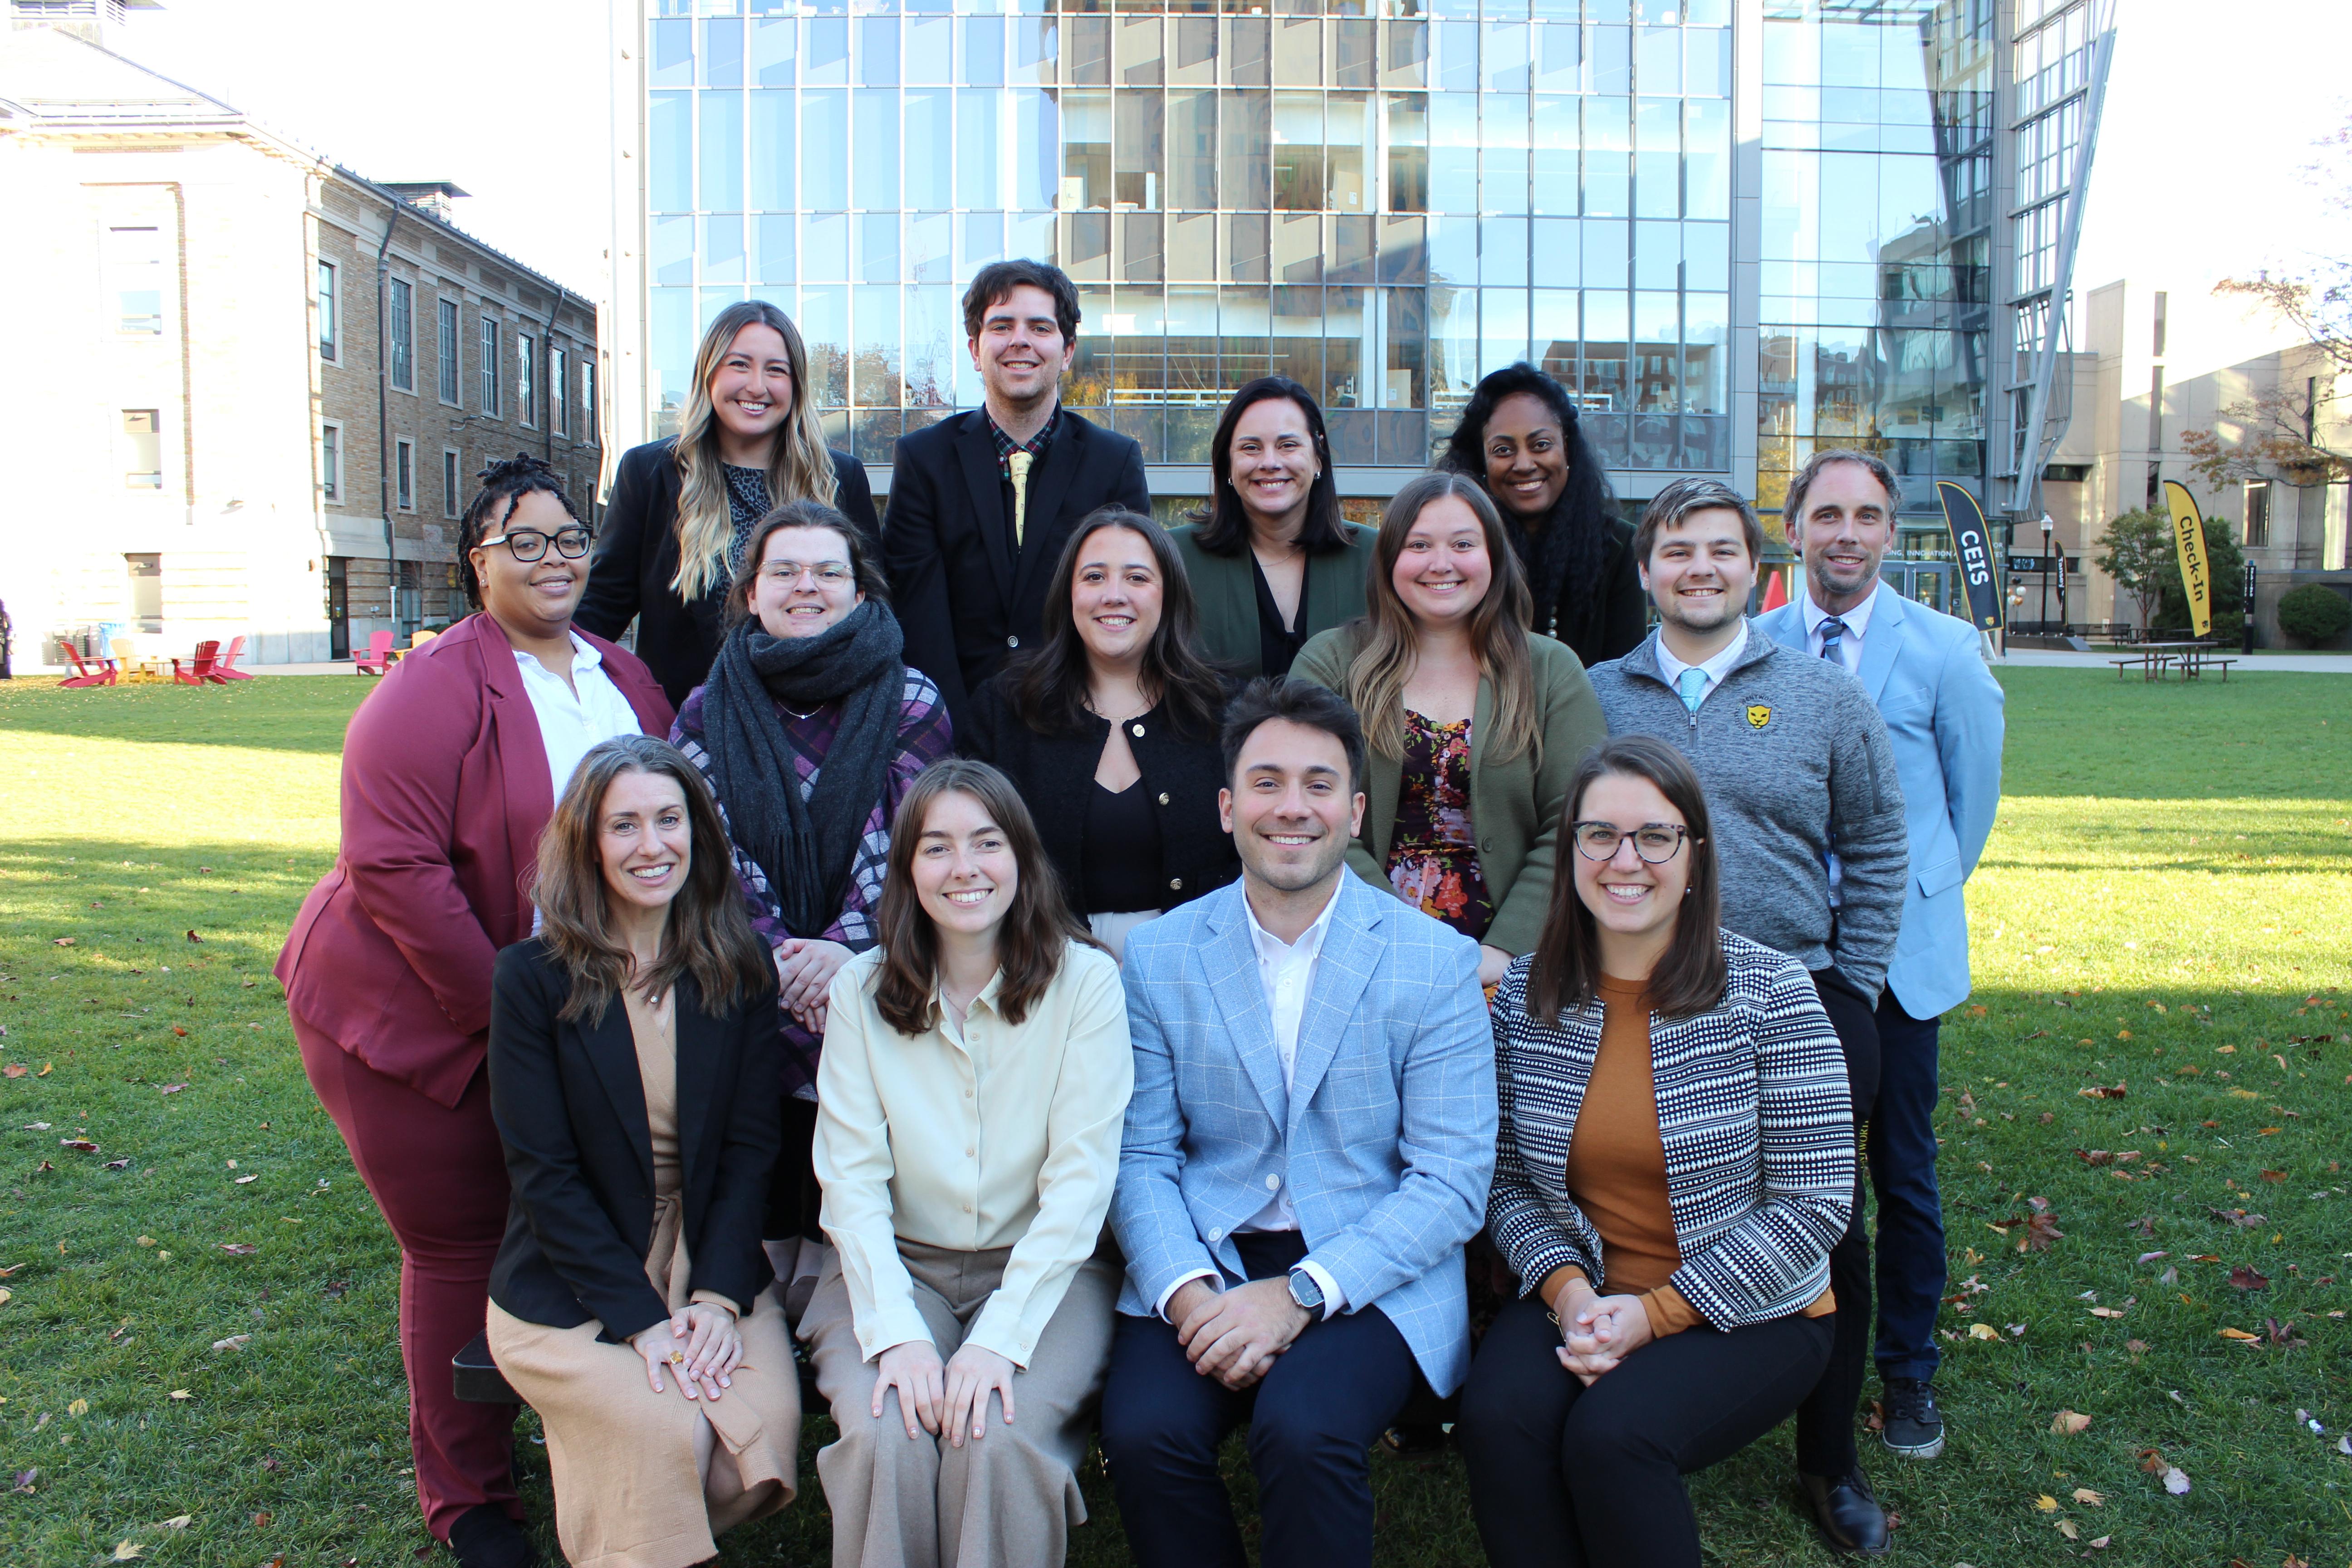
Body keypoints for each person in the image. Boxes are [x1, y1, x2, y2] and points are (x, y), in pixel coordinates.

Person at [275, 456, 673, 1568]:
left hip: (565, 1005)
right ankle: (471, 1502)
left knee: (554, 1213)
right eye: (523, 540)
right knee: (456, 1238)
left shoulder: (623, 676)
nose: (552, 559)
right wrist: (521, 1025)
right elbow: (395, 869)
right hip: (406, 1012)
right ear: (476, 563)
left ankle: (574, 1429)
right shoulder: (429, 688)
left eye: (568, 538)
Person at [1098, 678, 1498, 1568]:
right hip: (1211, 1249)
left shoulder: (1434, 963)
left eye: (1319, 785)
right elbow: (1141, 1157)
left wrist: (1302, 1294)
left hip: (1371, 1263)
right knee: (1144, 1432)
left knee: (1304, 1430)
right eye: (1268, 782)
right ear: (1227, 806)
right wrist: (1189, 1293)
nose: (1293, 807)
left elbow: (1453, 1181)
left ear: (1355, 812)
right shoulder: (1160, 956)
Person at [1584, 475, 1907, 1554]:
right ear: (1645, 568)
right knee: (1635, 1195)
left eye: (1721, 549)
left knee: (1826, 1226)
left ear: (1751, 566)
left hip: (1798, 996)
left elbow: (1873, 841)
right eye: (1676, 549)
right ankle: (1628, 1379)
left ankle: (1829, 1459)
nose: (1699, 568)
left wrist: (1851, 984)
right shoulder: (1594, 694)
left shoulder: (1818, 695)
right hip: (1633, 996)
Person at [1457, 735, 1855, 1568]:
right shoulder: (1527, 1002)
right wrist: (1569, 1298)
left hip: (1754, 1309)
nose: (1623, 860)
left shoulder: (1772, 993)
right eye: (1597, 834)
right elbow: (1501, 1177)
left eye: (1654, 836)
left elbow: (1814, 1204)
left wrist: (1653, 1315)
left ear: (1694, 854)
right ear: (1568, 852)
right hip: (1586, 1289)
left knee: (1613, 1438)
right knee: (1498, 1416)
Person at [802, 758, 1133, 1568]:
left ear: (1020, 858)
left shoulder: (1084, 983)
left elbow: (1080, 1184)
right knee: (891, 1432)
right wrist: (893, 1333)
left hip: (1047, 1274)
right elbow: (850, 1181)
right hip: (892, 1266)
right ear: (907, 869)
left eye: (986, 843)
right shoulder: (859, 991)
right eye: (936, 847)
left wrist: (1001, 1340)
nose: (964, 869)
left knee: (995, 1433)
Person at [484, 736, 799, 1568]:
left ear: (697, 833)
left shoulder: (738, 968)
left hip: (705, 1257)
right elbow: (543, 1175)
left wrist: (718, 1300)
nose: (651, 845)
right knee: (666, 1427)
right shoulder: (531, 980)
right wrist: (641, 1324)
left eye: (668, 819)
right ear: (587, 842)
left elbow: (747, 1150)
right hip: (572, 1275)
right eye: (623, 825)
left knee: (759, 1429)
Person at [1756, 448, 2004, 1466]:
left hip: (1896, 963)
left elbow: (1970, 800)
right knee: (1781, 1172)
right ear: (1795, 528)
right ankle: (1777, 1350)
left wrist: (1918, 895)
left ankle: (1907, 1373)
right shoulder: (1755, 642)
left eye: (1867, 516)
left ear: (1892, 534)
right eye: (1827, 515)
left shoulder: (1945, 649)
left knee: (1901, 1175)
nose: (1846, 533)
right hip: (1778, 957)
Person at [670, 498, 951, 1316]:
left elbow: (917, 840)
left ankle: (848, 1285)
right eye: (784, 571)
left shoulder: (911, 700)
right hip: (747, 970)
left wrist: (844, 952)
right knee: (755, 1133)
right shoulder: (704, 708)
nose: (807, 587)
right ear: (751, 593)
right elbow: (704, 849)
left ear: (859, 593)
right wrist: (780, 957)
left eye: (829, 571)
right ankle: (763, 1289)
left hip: (881, 961)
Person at [1291, 470, 1605, 990]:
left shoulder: (1551, 670)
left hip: (1517, 970)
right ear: (1389, 557)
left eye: (1463, 544)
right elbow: (1306, 810)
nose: (1442, 563)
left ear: (1493, 557)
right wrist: (1398, 944)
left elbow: (1581, 819)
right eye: (1419, 545)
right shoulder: (1331, 663)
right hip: (1356, 956)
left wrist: (1505, 953)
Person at [960, 508, 1239, 959]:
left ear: (1169, 594)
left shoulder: (1224, 711)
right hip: (1038, 969)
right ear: (1068, 594)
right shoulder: (1005, 709)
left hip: (1197, 968)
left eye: (1137, 578)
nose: (1114, 596)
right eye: (1094, 577)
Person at [884, 260, 1152, 727]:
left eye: (1040, 327)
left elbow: (1127, 604)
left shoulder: (1115, 463)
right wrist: (959, 734)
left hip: (1079, 724)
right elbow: (917, 614)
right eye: (1001, 326)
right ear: (975, 348)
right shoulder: (923, 460)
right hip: (954, 730)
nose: (1020, 341)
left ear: (1067, 351)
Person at [579, 300, 881, 707]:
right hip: (687, 725)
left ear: (796, 385)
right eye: (739, 365)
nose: (757, 386)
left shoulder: (840, 477)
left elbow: (872, 608)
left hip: (819, 722)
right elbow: (602, 609)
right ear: (709, 373)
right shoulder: (650, 473)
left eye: (776, 370)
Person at [1167, 377, 1378, 678]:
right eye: (1251, 448)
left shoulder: (1377, 558)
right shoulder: (1174, 559)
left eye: (1288, 445)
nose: (1270, 462)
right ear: (1228, 462)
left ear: (1318, 456)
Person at [1440, 363, 1646, 668]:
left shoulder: (1619, 546)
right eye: (1503, 450)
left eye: (1541, 445)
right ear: (1481, 461)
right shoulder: (1452, 549)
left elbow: (1625, 678)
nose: (1524, 464)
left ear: (1568, 449)